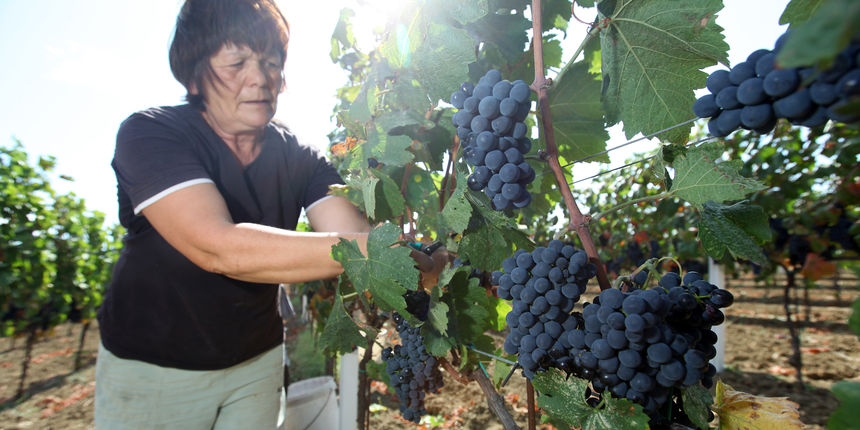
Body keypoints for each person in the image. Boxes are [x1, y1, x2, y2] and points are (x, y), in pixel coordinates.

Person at [94, 1, 441, 428]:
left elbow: (352, 235)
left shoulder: (302, 158)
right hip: (153, 369)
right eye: (236, 62)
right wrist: (381, 254)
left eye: (271, 62)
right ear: (194, 72)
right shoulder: (152, 134)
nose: (259, 78)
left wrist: (418, 262)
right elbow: (216, 247)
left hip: (255, 361)